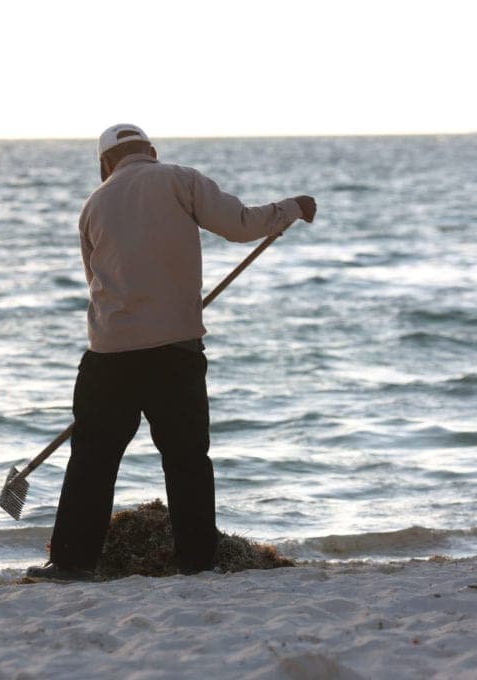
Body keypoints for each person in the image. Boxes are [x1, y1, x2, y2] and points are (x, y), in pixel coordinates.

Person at [27, 124, 317, 581]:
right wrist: (292, 208)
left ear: (105, 163)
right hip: (174, 351)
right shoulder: (181, 179)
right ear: (152, 152)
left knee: (92, 460)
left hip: (109, 355)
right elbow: (241, 225)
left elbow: (96, 282)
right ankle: (198, 562)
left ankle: (70, 562)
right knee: (186, 459)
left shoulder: (94, 204)